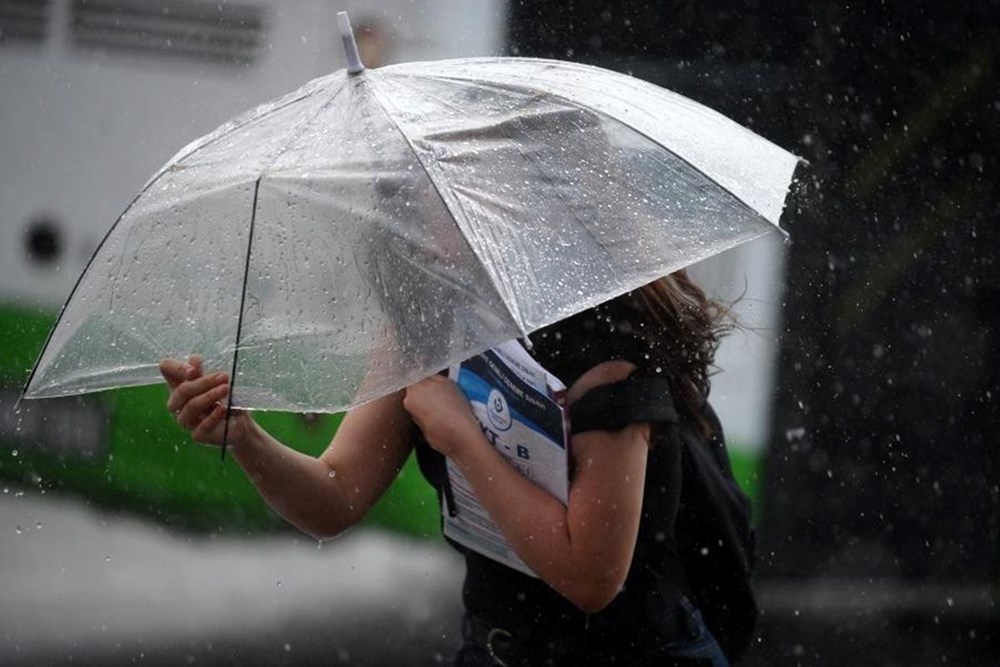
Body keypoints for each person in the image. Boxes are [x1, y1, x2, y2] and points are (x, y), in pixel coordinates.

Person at [159, 270, 734, 666]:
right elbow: (334, 496)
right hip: (495, 648)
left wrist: (462, 438)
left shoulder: (607, 345)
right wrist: (246, 439)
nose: (410, 208)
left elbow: (590, 579)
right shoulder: (430, 320)